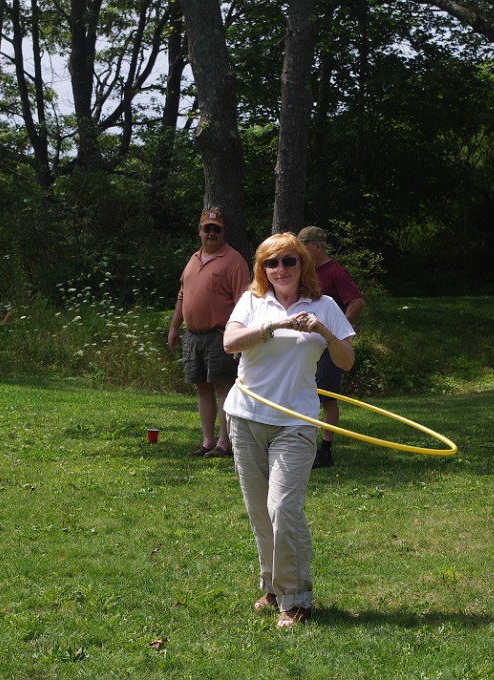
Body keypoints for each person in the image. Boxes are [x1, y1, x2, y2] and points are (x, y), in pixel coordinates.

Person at [222, 232, 355, 629]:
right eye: (271, 263)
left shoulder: (324, 305)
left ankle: (295, 600)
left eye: (289, 261)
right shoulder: (252, 301)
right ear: (262, 268)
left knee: (283, 508)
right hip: (246, 417)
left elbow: (346, 361)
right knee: (260, 511)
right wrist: (275, 325)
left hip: (295, 421)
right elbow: (230, 342)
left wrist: (324, 332)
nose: (280, 269)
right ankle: (272, 586)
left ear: (302, 265)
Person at [168, 209, 250, 458]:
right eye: (207, 228)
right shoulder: (193, 259)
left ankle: (224, 443)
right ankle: (207, 441)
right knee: (202, 388)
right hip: (193, 335)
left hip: (220, 334)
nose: (211, 233)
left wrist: (239, 337)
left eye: (216, 229)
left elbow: (243, 301)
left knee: (223, 387)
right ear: (200, 231)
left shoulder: (234, 260)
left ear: (223, 232)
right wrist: (174, 326)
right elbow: (182, 296)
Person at [297, 226, 365, 468]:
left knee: (326, 396)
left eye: (303, 246)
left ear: (316, 247)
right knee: (302, 393)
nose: (299, 252)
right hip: (306, 347)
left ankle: (325, 451)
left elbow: (356, 301)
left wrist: (337, 331)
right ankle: (300, 444)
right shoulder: (303, 272)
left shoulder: (335, 271)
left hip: (329, 346)